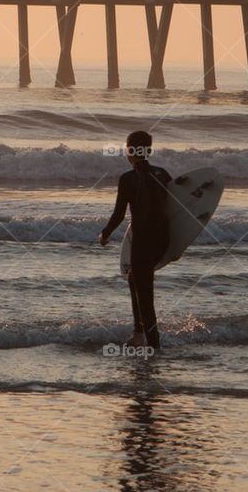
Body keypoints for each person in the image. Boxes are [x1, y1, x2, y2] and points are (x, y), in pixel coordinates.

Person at [98, 131, 171, 349]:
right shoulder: (163, 174)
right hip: (162, 239)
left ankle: (153, 348)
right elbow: (176, 207)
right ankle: (138, 334)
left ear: (130, 150)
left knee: (145, 296)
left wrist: (105, 234)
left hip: (142, 242)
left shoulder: (128, 179)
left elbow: (119, 214)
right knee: (134, 280)